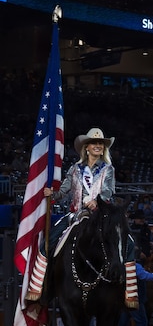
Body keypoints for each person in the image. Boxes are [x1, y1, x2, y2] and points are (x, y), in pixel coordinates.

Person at [26, 127, 139, 309]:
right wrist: (52, 194)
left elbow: (108, 190)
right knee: (49, 240)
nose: (97, 146)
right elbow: (64, 191)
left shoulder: (108, 169)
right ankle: (40, 288)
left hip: (101, 215)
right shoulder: (75, 169)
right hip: (77, 215)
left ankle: (129, 292)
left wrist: (97, 201)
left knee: (129, 243)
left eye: (100, 144)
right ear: (86, 147)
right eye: (94, 143)